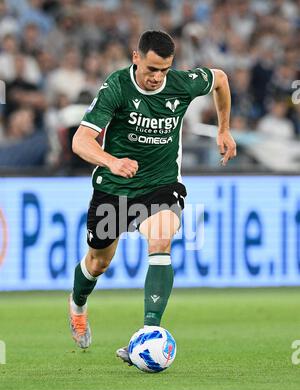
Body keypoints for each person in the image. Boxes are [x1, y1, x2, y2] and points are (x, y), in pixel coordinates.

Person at [70, 30, 236, 364]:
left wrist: (223, 128)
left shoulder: (182, 83)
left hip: (161, 184)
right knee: (98, 261)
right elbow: (80, 141)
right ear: (136, 58)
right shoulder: (116, 87)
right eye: (151, 69)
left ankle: (148, 335)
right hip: (115, 187)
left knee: (161, 240)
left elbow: (220, 79)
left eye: (163, 70)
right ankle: (77, 305)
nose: (156, 77)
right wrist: (113, 162)